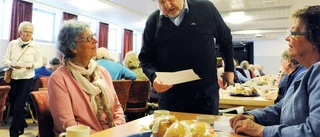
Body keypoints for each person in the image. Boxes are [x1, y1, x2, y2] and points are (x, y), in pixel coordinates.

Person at [229, 5, 320, 136]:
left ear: (314, 39)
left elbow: (314, 132)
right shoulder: (305, 73)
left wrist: (261, 130)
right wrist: (253, 116)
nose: (287, 38)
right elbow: (280, 108)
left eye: (293, 33)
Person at [139, 0, 234, 114]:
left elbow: (225, 38)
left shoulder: (206, 9)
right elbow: (146, 58)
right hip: (171, 96)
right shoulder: (153, 21)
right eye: (162, 2)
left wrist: (229, 69)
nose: (168, 5)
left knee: (206, 130)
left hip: (205, 94)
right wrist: (154, 77)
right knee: (170, 131)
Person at [48, 20, 125, 136]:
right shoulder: (59, 79)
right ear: (73, 48)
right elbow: (67, 124)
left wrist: (117, 130)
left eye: (93, 36)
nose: (96, 40)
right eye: (88, 38)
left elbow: (117, 108)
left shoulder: (102, 72)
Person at [2, 21, 42, 136]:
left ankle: (14, 132)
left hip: (27, 78)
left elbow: (39, 62)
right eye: (26, 32)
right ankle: (22, 122)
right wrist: (12, 64)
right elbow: (5, 59)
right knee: (14, 104)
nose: (28, 34)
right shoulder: (12, 44)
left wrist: (32, 66)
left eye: (31, 32)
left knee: (19, 105)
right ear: (20, 32)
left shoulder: (35, 46)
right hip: (14, 77)